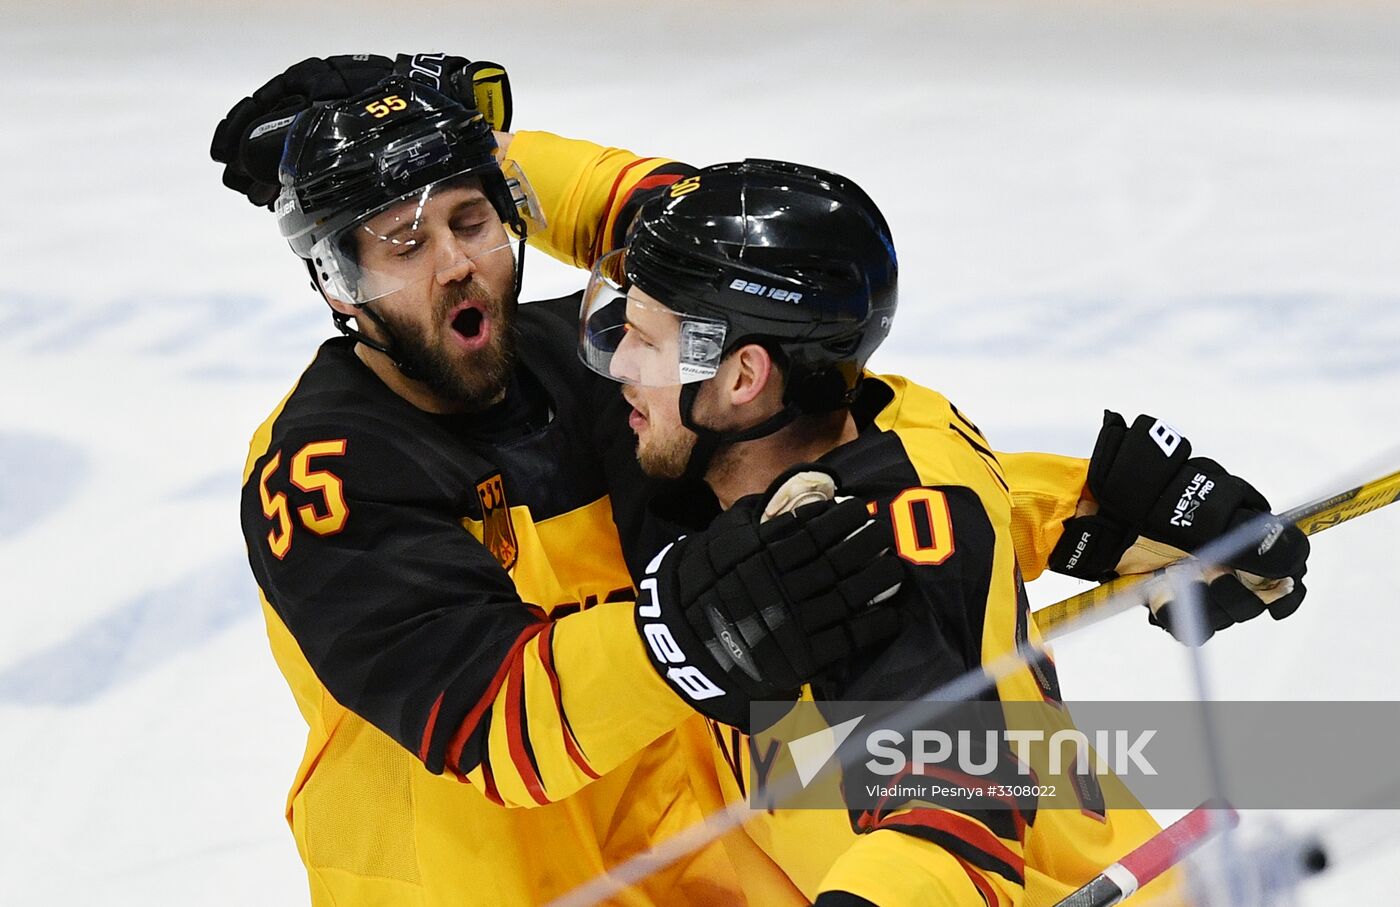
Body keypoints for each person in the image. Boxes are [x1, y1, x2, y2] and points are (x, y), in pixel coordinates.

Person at [212, 54, 1309, 906]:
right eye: (402, 243)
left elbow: (755, 326)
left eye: (473, 221)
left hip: (695, 857)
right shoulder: (325, 472)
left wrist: (1083, 518)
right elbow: (495, 726)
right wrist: (689, 632)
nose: (457, 261)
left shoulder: (608, 360)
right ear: (336, 283)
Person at [577, 159, 1311, 904]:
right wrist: (1090, 518)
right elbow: (966, 495)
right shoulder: (878, 438)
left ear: (743, 377)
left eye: (646, 341)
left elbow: (949, 816)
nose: (619, 366)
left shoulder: (867, 565)